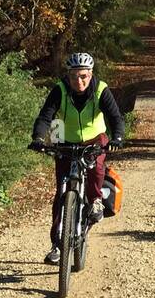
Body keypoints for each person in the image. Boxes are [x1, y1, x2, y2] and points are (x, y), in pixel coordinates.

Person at [31, 52, 125, 264]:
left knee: (96, 168)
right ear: (68, 75)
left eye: (83, 76)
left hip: (94, 137)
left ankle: (95, 201)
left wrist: (117, 137)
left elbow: (115, 117)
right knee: (61, 191)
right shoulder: (60, 89)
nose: (78, 81)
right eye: (74, 76)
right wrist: (38, 138)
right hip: (63, 135)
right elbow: (47, 116)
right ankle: (56, 244)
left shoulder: (101, 89)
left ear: (90, 74)